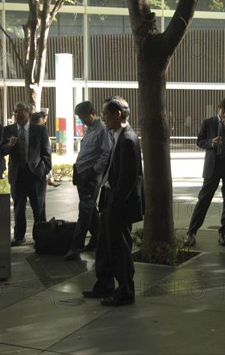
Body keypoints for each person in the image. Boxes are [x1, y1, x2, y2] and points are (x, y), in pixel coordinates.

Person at [83, 96, 143, 307]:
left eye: (106, 115)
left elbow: (128, 179)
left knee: (119, 248)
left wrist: (114, 205)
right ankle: (105, 285)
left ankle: (126, 291)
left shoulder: (128, 139)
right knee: (104, 246)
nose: (103, 119)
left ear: (118, 115)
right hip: (110, 199)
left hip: (119, 203)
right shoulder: (117, 136)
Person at [183, 97, 225, 247]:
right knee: (203, 200)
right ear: (219, 107)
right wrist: (211, 142)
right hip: (213, 166)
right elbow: (199, 141)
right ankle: (191, 232)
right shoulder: (208, 122)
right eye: (223, 110)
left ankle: (224, 233)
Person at [63, 101, 112, 261]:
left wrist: (93, 171)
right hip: (82, 174)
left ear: (92, 113)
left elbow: (106, 154)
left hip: (91, 176)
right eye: (80, 118)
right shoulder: (90, 129)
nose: (82, 120)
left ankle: (76, 247)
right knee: (90, 209)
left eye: (83, 117)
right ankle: (98, 240)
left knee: (85, 210)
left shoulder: (102, 130)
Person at [0, 102, 52, 246]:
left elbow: (46, 152)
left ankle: (41, 237)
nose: (18, 115)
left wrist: (44, 170)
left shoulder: (39, 129)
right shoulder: (8, 130)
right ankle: (19, 236)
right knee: (18, 208)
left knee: (39, 208)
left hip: (35, 175)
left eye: (21, 113)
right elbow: (1, 150)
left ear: (29, 114)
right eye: (16, 112)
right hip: (17, 175)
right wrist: (9, 145)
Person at [31, 110, 58, 187]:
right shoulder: (41, 130)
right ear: (40, 119)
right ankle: (50, 178)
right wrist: (47, 168)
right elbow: (46, 152)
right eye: (45, 119)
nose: (45, 121)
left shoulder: (40, 130)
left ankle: (50, 178)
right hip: (39, 166)